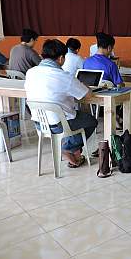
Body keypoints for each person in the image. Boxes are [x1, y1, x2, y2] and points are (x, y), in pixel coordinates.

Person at [25, 39, 97, 168]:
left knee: (73, 117)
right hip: (59, 124)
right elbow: (88, 94)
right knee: (90, 120)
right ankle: (68, 149)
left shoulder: (31, 72)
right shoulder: (63, 76)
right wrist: (83, 85)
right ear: (61, 58)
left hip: (39, 123)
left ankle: (75, 155)